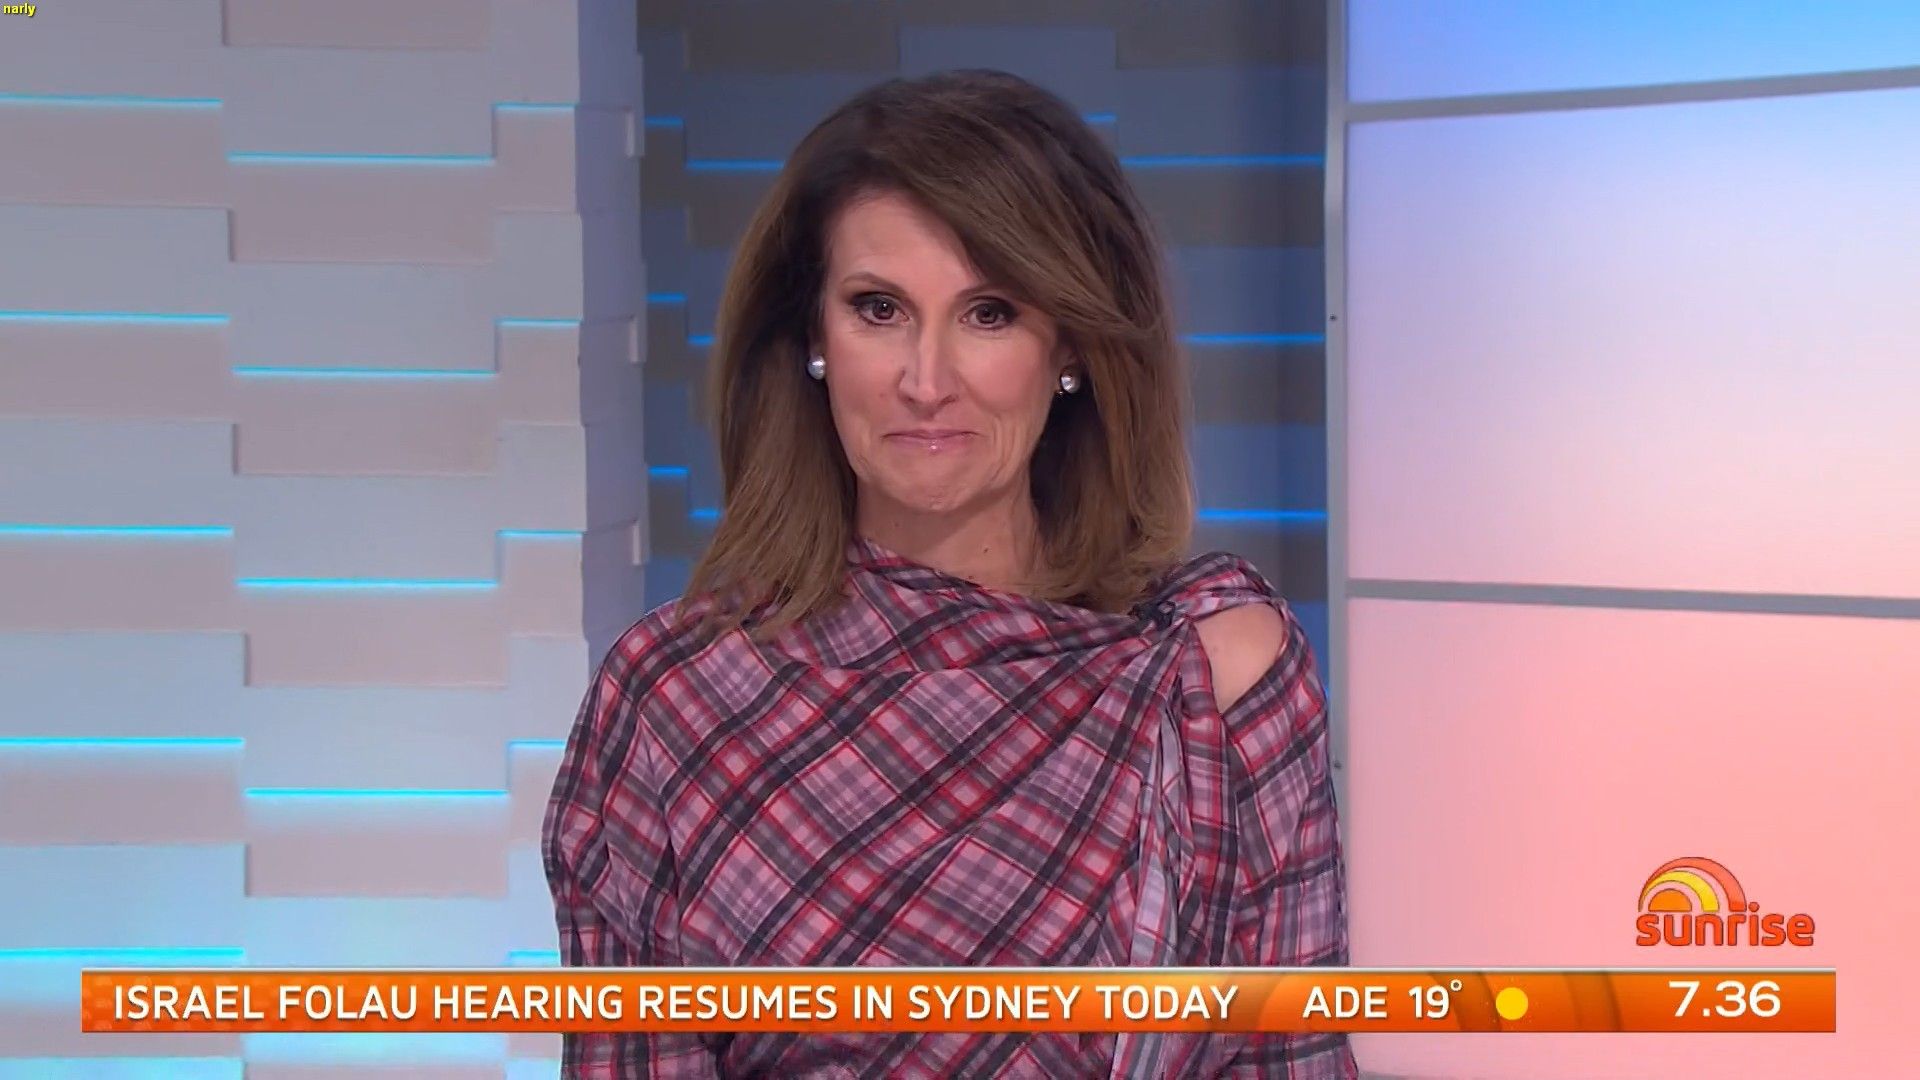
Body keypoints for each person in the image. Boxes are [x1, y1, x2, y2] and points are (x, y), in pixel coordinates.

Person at [542, 68, 1356, 1079]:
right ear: (813, 339)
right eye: (878, 308)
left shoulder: (1214, 673)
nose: (927, 382)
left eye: (989, 313)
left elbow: (1292, 1059)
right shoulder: (675, 699)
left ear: (1071, 346)